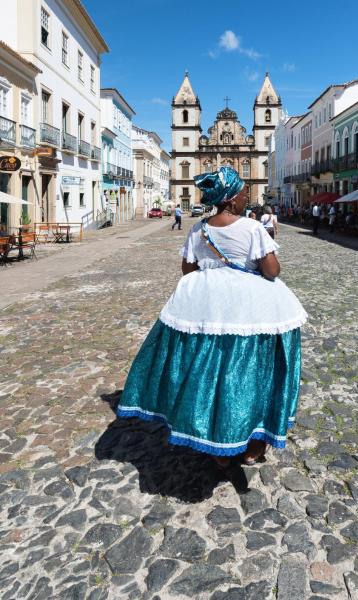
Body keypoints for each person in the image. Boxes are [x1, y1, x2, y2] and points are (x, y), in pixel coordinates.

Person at [116, 167, 307, 470]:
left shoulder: (199, 229)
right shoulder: (252, 228)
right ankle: (251, 444)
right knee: (251, 373)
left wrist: (212, 279)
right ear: (231, 199)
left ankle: (215, 442)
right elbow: (272, 271)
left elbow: (188, 270)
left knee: (210, 372)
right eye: (244, 192)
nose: (247, 196)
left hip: (208, 305)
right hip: (250, 308)